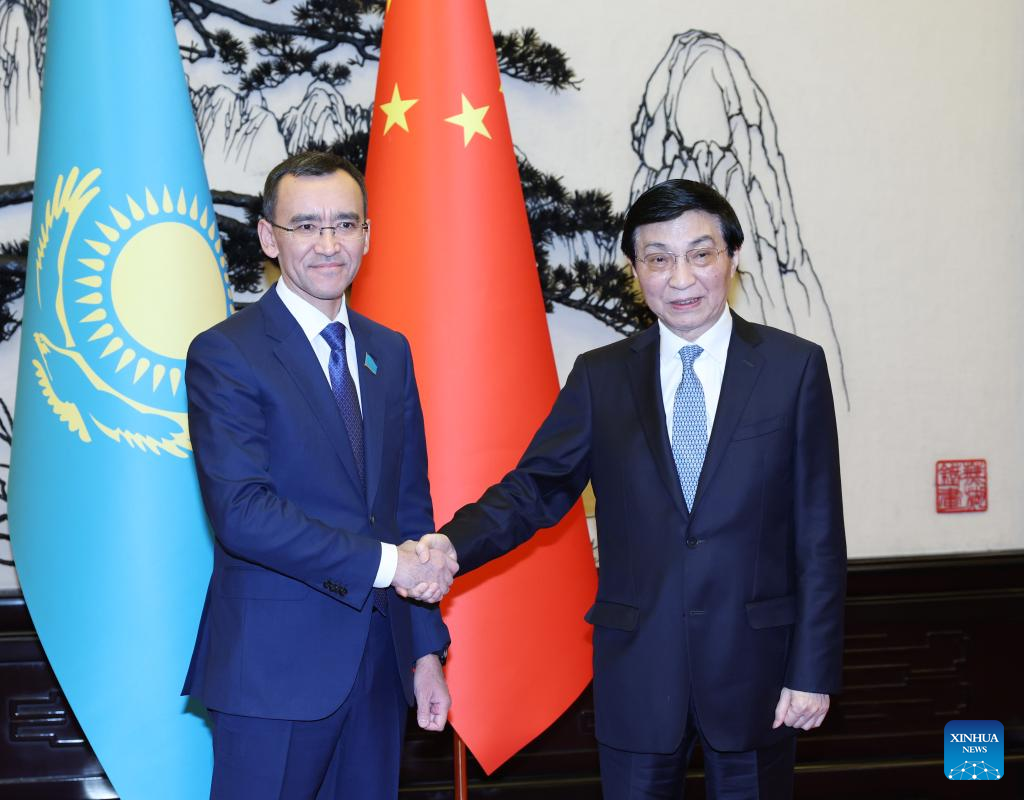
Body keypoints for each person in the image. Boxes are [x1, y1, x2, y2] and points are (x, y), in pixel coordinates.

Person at [427, 179, 847, 798]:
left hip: (758, 673)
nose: (681, 278)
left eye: (700, 254)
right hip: (639, 671)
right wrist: (449, 546)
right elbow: (535, 488)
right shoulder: (601, 376)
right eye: (658, 259)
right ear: (635, 270)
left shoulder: (794, 368)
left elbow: (818, 533)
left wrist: (813, 670)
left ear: (732, 257)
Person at [182, 150, 457, 800]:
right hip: (273, 671)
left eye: (345, 224)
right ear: (268, 237)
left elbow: (408, 510)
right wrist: (389, 565)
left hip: (380, 667)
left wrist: (425, 653)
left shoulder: (389, 351)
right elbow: (243, 514)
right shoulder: (226, 353)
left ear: (368, 233)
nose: (329, 244)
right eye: (305, 225)